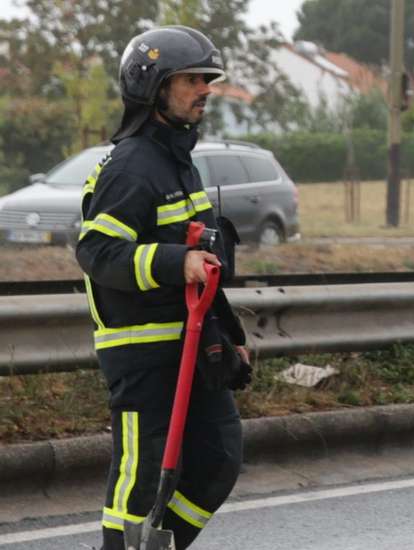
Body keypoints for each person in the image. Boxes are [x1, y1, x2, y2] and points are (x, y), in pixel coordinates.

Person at [75, 26, 251, 550]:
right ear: (152, 86)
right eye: (191, 79)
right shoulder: (131, 167)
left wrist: (229, 332)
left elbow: (207, 259)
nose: (205, 89)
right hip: (141, 349)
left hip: (192, 342)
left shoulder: (179, 161)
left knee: (219, 457)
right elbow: (97, 253)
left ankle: (161, 545)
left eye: (207, 79)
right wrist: (177, 261)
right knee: (140, 475)